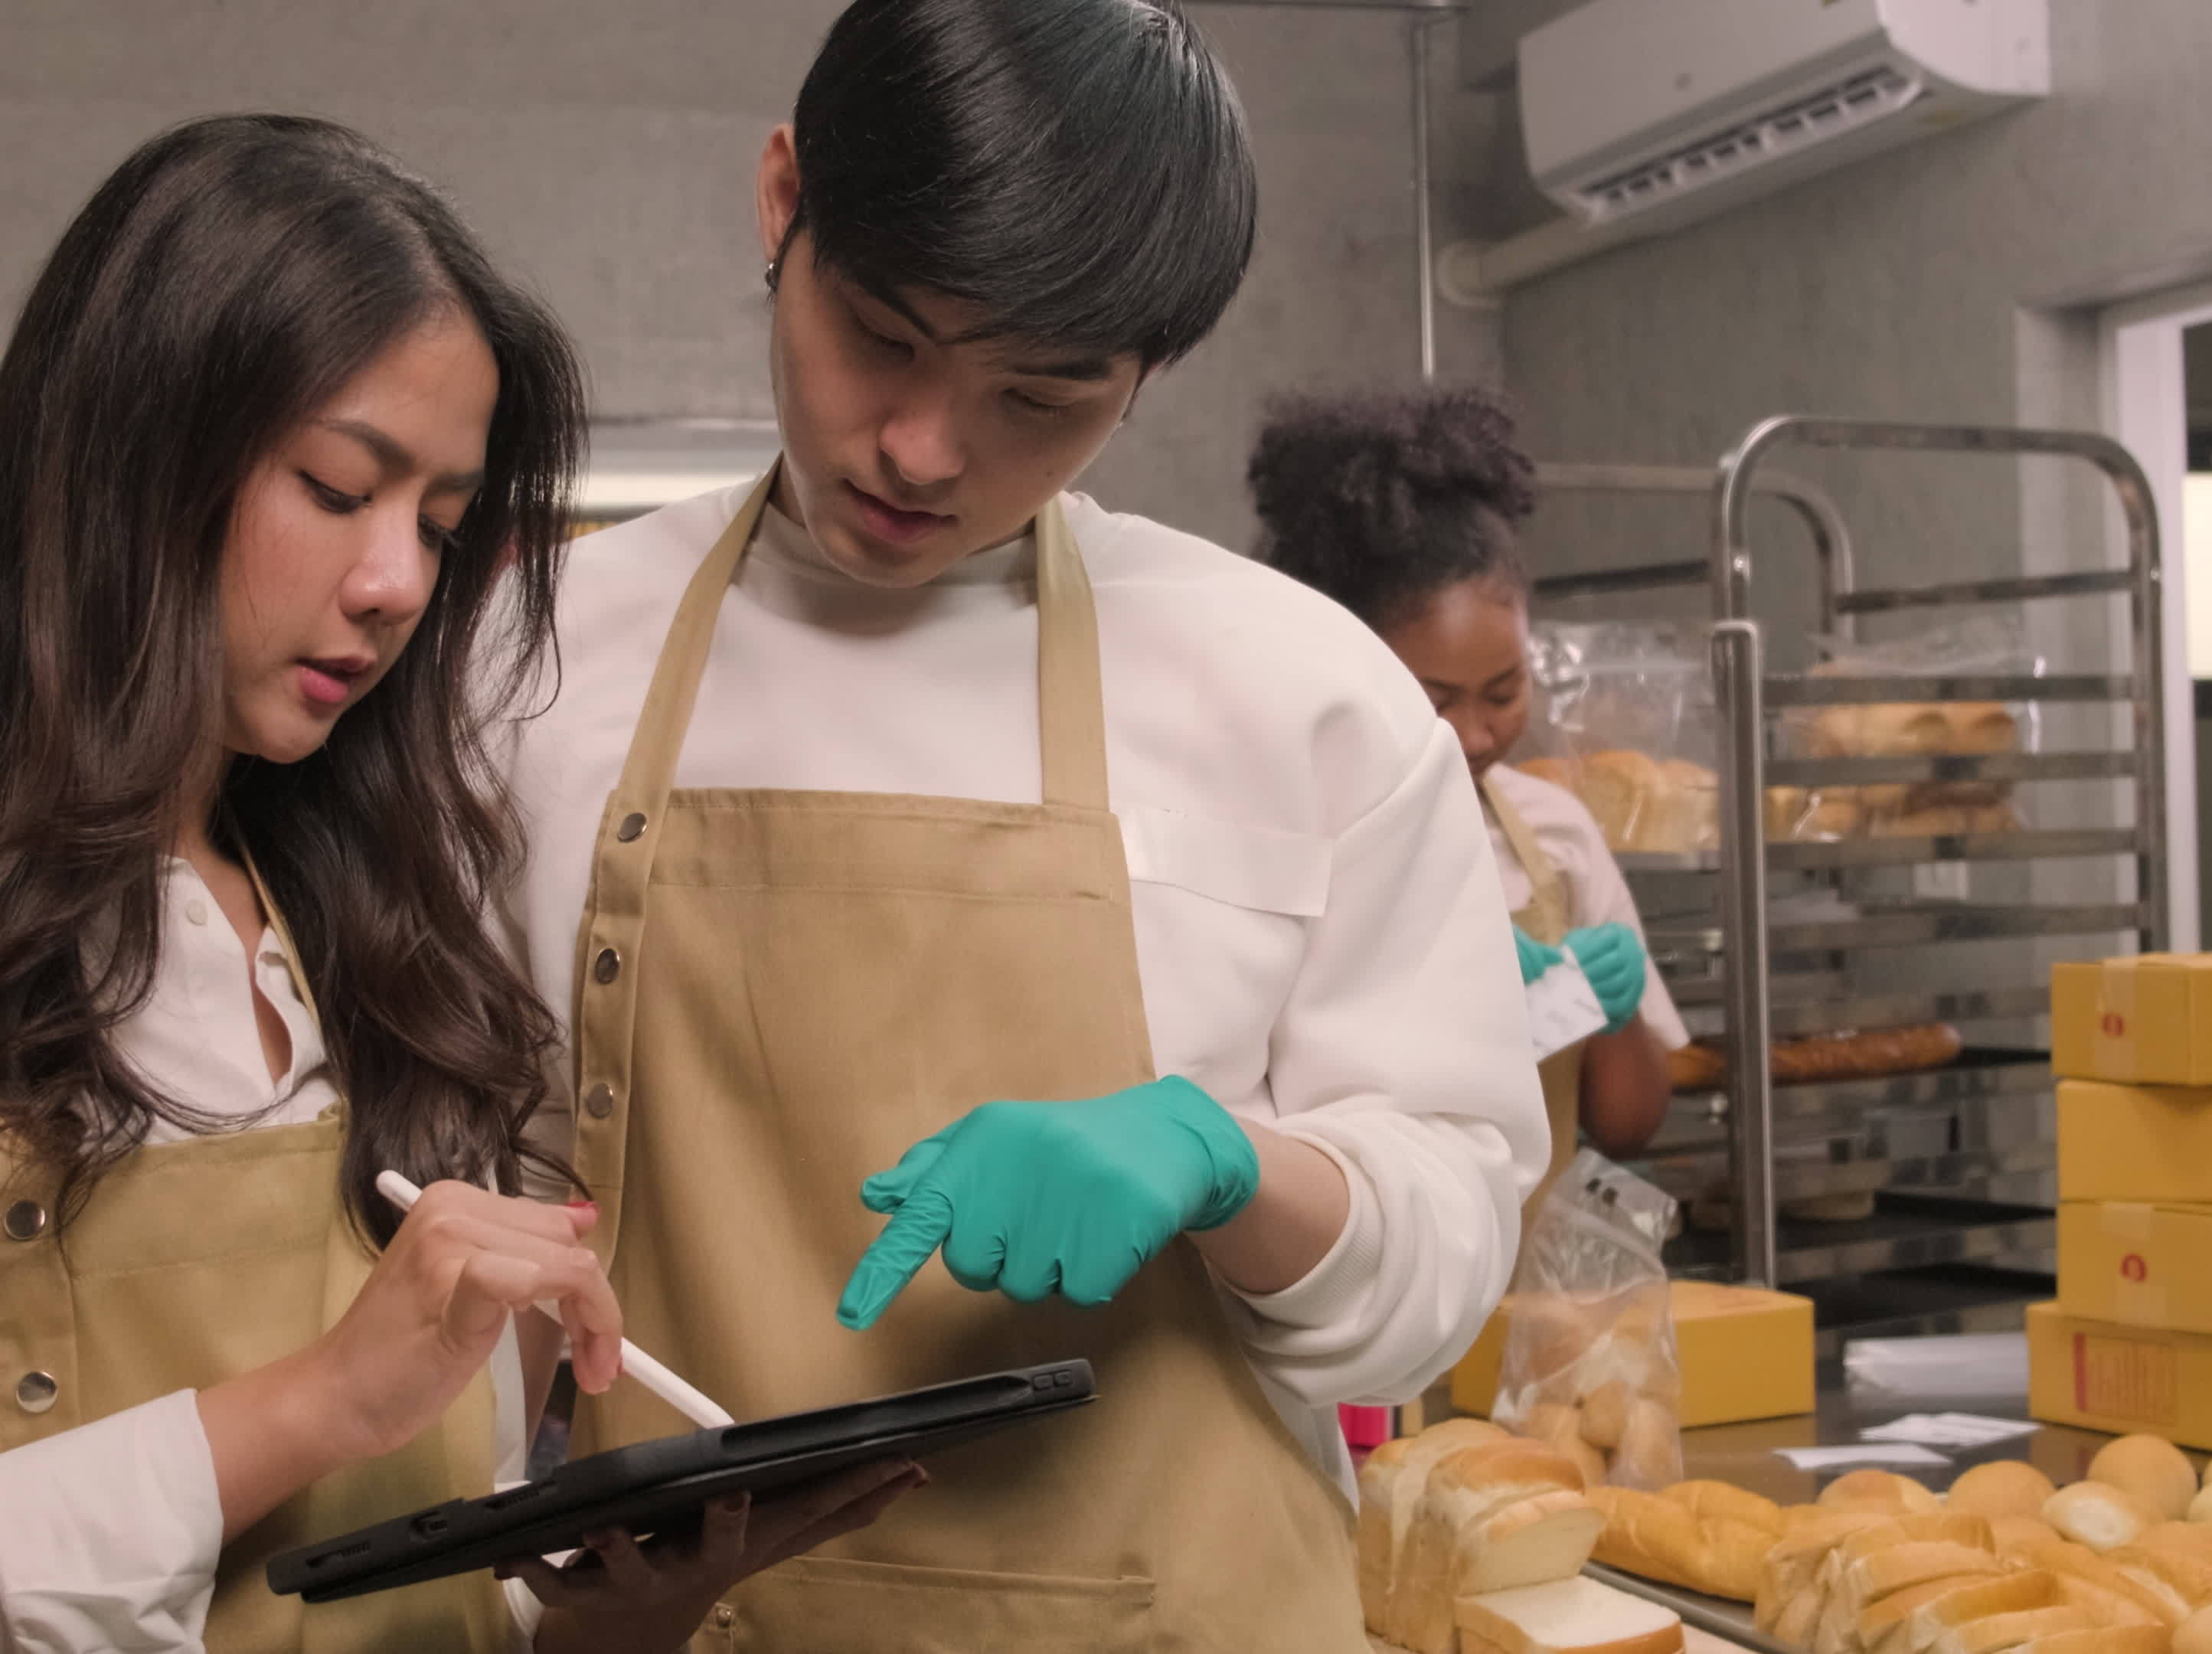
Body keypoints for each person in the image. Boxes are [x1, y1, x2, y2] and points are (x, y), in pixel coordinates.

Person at [0, 115, 909, 1654]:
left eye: (438, 527)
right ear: (133, 457)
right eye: (337, 488)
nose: (398, 583)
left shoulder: (370, 936)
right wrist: (318, 1402)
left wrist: (613, 1620)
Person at [497, 2, 1546, 1646]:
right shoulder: (535, 666)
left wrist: (1234, 1170)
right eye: (881, 336)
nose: (925, 449)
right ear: (784, 202)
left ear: (1146, 375)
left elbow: (1444, 1255)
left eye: (1040, 398)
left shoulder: (1298, 697)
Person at [1249, 385, 1686, 1187]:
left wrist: (1611, 1010)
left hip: (1529, 1260)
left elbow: (1631, 1127)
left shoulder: (1553, 832)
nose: (1479, 734)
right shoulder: (1279, 843)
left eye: (1505, 691)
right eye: (1437, 699)